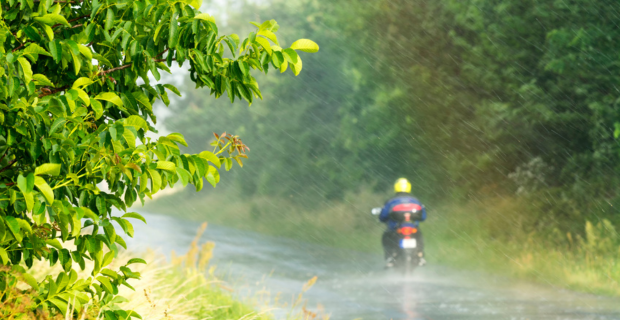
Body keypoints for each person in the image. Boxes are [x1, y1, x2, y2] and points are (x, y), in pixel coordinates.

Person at [379, 178, 427, 268]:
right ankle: (420, 255)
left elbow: (382, 217)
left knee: (386, 237)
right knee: (419, 236)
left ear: (396, 187)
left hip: (395, 229)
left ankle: (390, 256)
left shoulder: (390, 201)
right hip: (413, 228)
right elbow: (423, 217)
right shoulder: (415, 200)